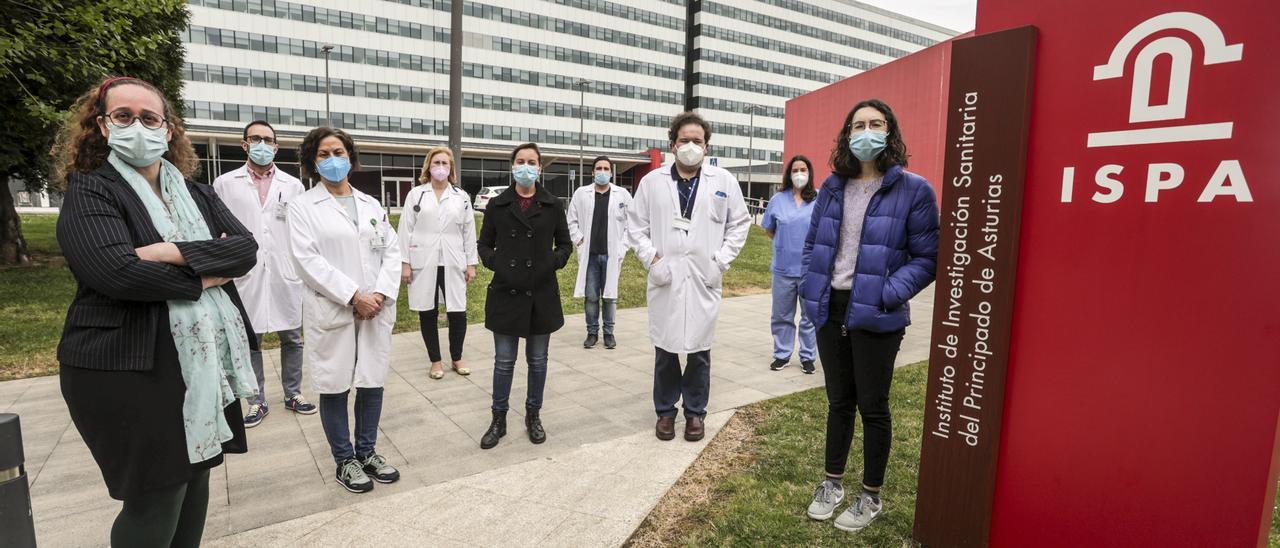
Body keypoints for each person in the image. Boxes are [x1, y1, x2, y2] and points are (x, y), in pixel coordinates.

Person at [53, 76, 259, 547]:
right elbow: (116, 273)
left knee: (198, 477)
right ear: (102, 127)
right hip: (127, 366)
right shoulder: (92, 189)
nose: (138, 126)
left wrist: (165, 251)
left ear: (168, 130)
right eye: (123, 117)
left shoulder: (197, 193)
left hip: (201, 364)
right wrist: (206, 271)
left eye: (150, 118)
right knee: (158, 494)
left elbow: (245, 250)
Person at [799, 99, 939, 532]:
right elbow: (812, 245)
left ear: (890, 131)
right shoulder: (832, 187)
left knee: (873, 406)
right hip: (830, 307)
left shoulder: (914, 190)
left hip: (877, 310)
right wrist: (811, 288)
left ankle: (871, 495)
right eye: (858, 125)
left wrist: (887, 293)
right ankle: (832, 484)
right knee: (839, 401)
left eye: (875, 124)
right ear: (846, 134)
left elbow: (927, 256)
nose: (866, 132)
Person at [287, 127, 402, 493]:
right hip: (334, 308)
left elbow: (392, 252)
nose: (333, 159)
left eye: (338, 152)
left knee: (372, 380)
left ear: (350, 157)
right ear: (312, 161)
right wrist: (354, 296)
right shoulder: (303, 206)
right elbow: (307, 260)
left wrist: (379, 295)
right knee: (334, 384)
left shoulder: (371, 205)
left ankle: (367, 451)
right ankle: (345, 459)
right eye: (323, 154)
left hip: (374, 309)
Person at [627, 112, 751, 442]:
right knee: (665, 350)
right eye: (685, 141)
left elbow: (740, 224)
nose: (691, 146)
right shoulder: (653, 182)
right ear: (672, 145)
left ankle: (695, 413)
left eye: (697, 141)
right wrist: (653, 260)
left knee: (699, 351)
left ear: (706, 147)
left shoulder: (722, 181)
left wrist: (720, 261)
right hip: (666, 276)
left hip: (703, 277)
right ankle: (665, 412)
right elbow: (636, 227)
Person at [213, 120, 314, 426]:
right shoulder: (225, 184)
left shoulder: (293, 186)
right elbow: (217, 230)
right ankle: (256, 400)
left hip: (285, 272)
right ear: (244, 144)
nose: (262, 144)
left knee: (293, 337)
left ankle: (292, 393)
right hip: (246, 273)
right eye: (255, 138)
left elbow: (301, 231)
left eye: (267, 140)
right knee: (249, 339)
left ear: (276, 146)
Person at [475, 142, 572, 449]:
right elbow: (484, 246)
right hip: (506, 291)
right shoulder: (498, 205)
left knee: (538, 360)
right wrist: (499, 265)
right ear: (512, 166)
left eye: (531, 161)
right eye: (520, 161)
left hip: (541, 293)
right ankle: (498, 419)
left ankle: (533, 415)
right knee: (504, 362)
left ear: (540, 168)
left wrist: (549, 264)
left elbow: (566, 245)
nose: (526, 166)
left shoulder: (553, 204)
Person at [397, 147, 478, 380]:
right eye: (436, 163)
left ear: (451, 168)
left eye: (445, 163)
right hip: (423, 260)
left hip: (454, 261)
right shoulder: (416, 195)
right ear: (428, 167)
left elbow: (468, 232)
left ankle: (457, 357)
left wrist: (471, 263)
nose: (440, 167)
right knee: (428, 311)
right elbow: (405, 230)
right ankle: (435, 361)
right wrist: (405, 263)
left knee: (458, 311)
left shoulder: (461, 196)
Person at [566, 156, 633, 349]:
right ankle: (592, 333)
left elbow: (633, 223)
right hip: (590, 255)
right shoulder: (581, 193)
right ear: (592, 172)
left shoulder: (622, 195)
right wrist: (579, 240)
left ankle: (609, 334)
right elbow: (572, 220)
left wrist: (623, 247)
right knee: (592, 296)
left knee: (610, 296)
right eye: (599, 168)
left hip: (612, 254)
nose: (602, 171)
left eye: (606, 168)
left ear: (611, 172)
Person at [762, 155, 819, 374]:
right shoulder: (778, 199)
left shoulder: (819, 199)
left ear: (810, 172)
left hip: (809, 270)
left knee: (809, 316)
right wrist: (783, 244)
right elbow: (769, 228)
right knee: (781, 315)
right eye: (795, 170)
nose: (799, 174)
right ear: (788, 173)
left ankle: (807, 356)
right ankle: (782, 354)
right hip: (783, 269)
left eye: (803, 169)